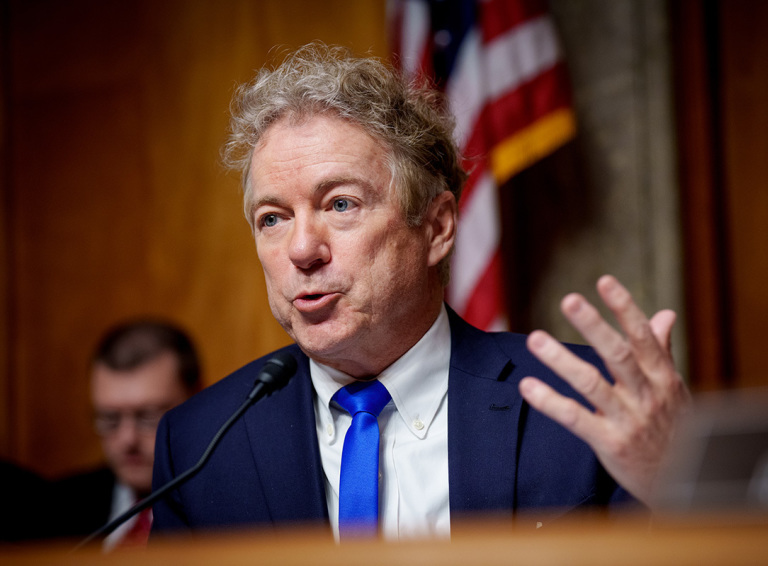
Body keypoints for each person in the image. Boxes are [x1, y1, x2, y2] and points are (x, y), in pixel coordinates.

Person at [152, 43, 690, 541]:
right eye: (272, 218)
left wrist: (673, 486)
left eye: (340, 204)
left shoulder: (588, 408)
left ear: (437, 228)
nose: (301, 250)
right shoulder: (200, 445)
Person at [53, 320, 200, 549]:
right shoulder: (56, 509)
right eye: (110, 419)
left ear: (198, 404)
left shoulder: (227, 508)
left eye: (148, 417)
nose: (127, 439)